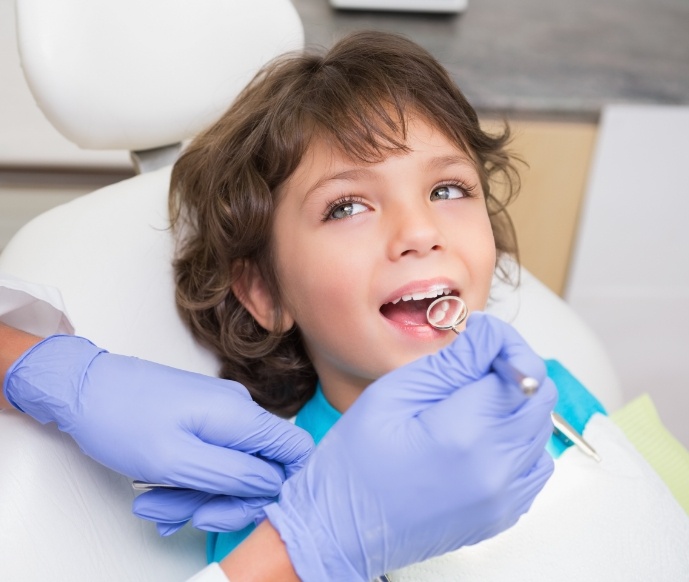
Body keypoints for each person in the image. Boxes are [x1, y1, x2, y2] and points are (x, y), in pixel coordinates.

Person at [131, 30, 689, 581]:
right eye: (347, 206)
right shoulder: (279, 511)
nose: (420, 231)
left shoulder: (553, 392)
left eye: (447, 190)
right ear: (265, 293)